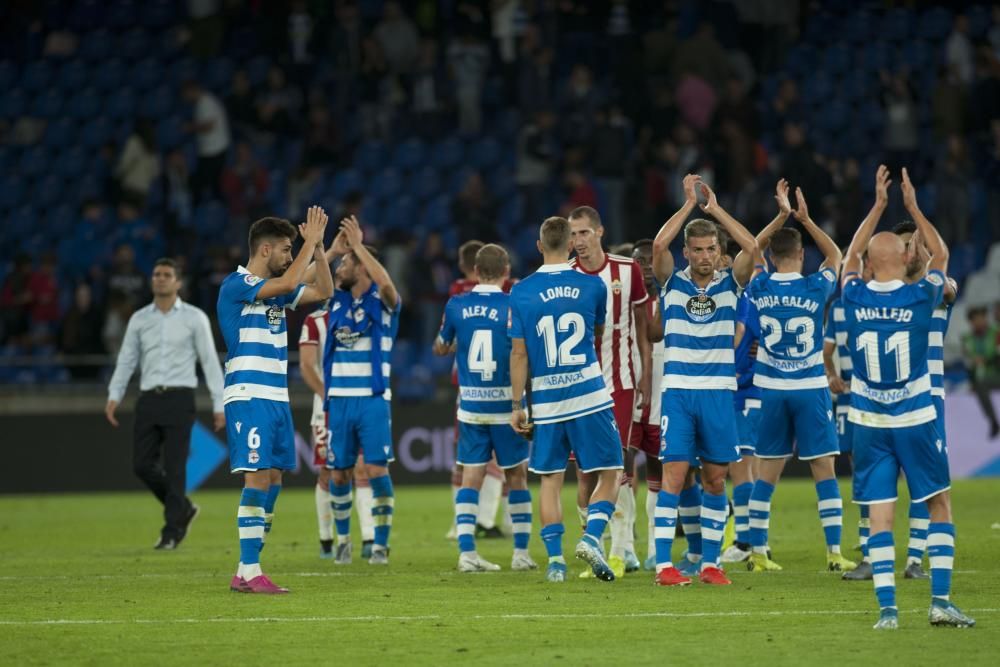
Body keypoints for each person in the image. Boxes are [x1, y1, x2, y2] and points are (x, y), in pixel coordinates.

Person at [841, 165, 973, 629]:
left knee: (879, 515)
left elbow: (848, 259)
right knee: (938, 503)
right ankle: (939, 601)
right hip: (916, 416)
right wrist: (913, 205)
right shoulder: (921, 298)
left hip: (869, 424)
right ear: (903, 256)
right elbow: (941, 254)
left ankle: (888, 612)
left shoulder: (852, 296)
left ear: (868, 265)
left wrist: (877, 205)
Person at [743, 180, 856, 573]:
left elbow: (750, 249)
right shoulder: (815, 286)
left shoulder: (758, 284)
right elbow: (837, 256)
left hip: (771, 390)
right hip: (810, 388)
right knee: (823, 470)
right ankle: (834, 552)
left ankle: (757, 553)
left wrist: (778, 218)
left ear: (772, 258)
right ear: (801, 254)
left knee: (767, 474)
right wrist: (805, 219)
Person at [218, 208, 333, 594]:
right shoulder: (237, 284)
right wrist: (313, 243)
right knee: (257, 476)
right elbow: (287, 283)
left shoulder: (276, 292)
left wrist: (319, 252)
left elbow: (324, 292)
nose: (289, 255)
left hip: (276, 397)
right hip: (248, 394)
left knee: (275, 479)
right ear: (265, 249)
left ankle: (244, 568)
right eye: (286, 249)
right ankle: (251, 569)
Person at [650, 174, 757, 587]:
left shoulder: (732, 283)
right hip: (679, 394)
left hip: (718, 395)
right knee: (675, 477)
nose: (705, 256)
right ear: (687, 253)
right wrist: (687, 206)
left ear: (718, 251)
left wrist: (715, 211)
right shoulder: (671, 282)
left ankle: (711, 563)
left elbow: (752, 247)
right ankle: (664, 567)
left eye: (711, 249)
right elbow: (658, 247)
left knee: (715, 479)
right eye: (697, 250)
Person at [509, 216, 623, 583]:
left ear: (539, 246)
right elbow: (597, 331)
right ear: (571, 245)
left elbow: (519, 354)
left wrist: (516, 405)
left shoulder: (521, 291)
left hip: (547, 399)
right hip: (589, 393)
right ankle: (591, 536)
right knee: (612, 470)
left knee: (551, 480)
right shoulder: (592, 286)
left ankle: (556, 562)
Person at [105, 258, 225, 550]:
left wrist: (219, 402)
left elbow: (209, 361)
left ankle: (172, 531)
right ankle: (182, 506)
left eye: (166, 275)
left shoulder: (194, 318)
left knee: (175, 468)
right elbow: (127, 359)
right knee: (142, 464)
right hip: (148, 398)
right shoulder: (139, 319)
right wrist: (114, 394)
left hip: (179, 398)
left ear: (178, 282)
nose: (160, 279)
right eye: (156, 274)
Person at [434, 244, 536, 573]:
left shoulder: (456, 305)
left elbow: (441, 346)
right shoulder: (514, 304)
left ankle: (467, 554)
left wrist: (449, 342)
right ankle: (520, 553)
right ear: (506, 271)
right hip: (507, 406)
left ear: (475, 271)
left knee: (471, 478)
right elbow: (525, 352)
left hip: (472, 406)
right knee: (516, 477)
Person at [568, 206, 650, 577]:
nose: (578, 242)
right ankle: (595, 547)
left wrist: (644, 374)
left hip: (621, 383)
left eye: (584, 233)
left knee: (618, 465)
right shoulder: (565, 277)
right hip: (578, 388)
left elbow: (642, 326)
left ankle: (621, 547)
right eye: (573, 235)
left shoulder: (627, 269)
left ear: (600, 232)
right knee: (585, 473)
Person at [324, 216, 402, 566]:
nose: (341, 266)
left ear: (362, 267)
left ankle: (381, 545)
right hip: (339, 402)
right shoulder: (335, 301)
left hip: (372, 402)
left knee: (376, 472)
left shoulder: (382, 304)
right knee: (338, 473)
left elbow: (387, 285)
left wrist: (358, 248)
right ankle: (343, 540)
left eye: (346, 262)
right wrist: (332, 252)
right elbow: (307, 281)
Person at [890, 220, 960, 579]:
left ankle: (915, 558)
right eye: (904, 245)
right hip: (886, 397)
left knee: (926, 480)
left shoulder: (939, 288)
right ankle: (876, 557)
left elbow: (947, 289)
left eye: (915, 244)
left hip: (927, 396)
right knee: (880, 481)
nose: (909, 250)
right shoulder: (883, 295)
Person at [445, 240, 514, 541]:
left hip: (468, 389)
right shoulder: (512, 297)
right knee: (508, 464)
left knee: (469, 460)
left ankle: (475, 524)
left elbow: (444, 341)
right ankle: (488, 521)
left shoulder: (458, 297)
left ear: (471, 267)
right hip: (500, 389)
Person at [299, 302, 375, 560]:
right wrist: (327, 396)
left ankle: (368, 537)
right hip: (326, 409)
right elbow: (307, 366)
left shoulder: (365, 314)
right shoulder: (315, 321)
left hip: (361, 404)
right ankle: (326, 538)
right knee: (330, 472)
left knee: (363, 468)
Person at [722, 239, 762, 565]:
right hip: (730, 394)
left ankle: (747, 542)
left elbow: (746, 338)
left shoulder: (742, 297)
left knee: (743, 470)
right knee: (739, 470)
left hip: (743, 393)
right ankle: (753, 541)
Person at [627, 239, 665, 570]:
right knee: (621, 468)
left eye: (652, 261)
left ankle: (655, 547)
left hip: (663, 397)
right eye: (641, 261)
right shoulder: (622, 303)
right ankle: (624, 546)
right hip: (628, 393)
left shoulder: (671, 299)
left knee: (658, 469)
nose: (648, 267)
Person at [182, 79, 231, 202]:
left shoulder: (206, 102)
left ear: (191, 90)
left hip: (214, 151)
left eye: (186, 94)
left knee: (201, 184)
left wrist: (190, 127)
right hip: (213, 150)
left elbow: (209, 126)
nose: (185, 97)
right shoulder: (203, 101)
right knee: (213, 185)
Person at [963, 306, 1000, 437]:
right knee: (979, 384)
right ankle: (993, 421)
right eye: (976, 320)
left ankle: (994, 422)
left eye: (981, 318)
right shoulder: (966, 339)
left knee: (981, 383)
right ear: (971, 322)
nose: (979, 322)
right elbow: (968, 362)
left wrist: (984, 359)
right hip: (981, 378)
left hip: (996, 372)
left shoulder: (996, 332)